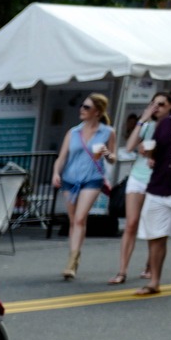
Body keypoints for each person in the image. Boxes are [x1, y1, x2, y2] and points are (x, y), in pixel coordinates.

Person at [51, 93, 114, 280]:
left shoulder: (108, 132)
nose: (82, 110)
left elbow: (113, 158)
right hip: (70, 179)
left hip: (92, 179)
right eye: (82, 106)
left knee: (79, 218)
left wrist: (107, 154)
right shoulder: (73, 132)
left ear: (97, 112)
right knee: (73, 221)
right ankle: (74, 254)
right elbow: (62, 157)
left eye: (86, 107)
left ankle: (72, 261)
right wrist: (56, 173)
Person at [112, 93, 171, 285]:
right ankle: (122, 271)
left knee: (152, 226)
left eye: (161, 105)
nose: (156, 108)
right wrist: (142, 121)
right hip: (138, 177)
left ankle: (149, 266)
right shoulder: (146, 126)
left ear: (170, 107)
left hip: (157, 180)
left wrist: (156, 155)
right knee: (131, 223)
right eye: (153, 104)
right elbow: (129, 147)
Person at [136, 78, 171, 297]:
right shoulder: (165, 122)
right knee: (156, 236)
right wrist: (149, 154)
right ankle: (154, 281)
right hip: (158, 186)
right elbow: (156, 149)